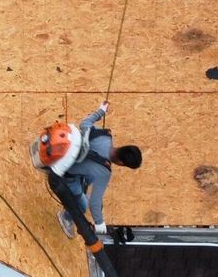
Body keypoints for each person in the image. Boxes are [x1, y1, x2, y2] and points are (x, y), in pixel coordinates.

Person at [34, 102, 142, 257]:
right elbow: (95, 203)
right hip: (67, 175)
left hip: (73, 161)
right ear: (122, 163)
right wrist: (99, 224)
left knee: (91, 176)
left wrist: (100, 112)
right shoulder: (104, 171)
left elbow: (85, 123)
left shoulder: (105, 137)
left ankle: (80, 188)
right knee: (82, 206)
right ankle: (65, 217)